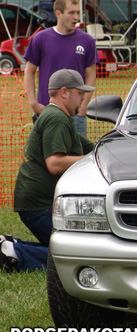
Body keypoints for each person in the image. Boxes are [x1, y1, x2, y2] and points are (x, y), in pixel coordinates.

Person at [0, 69, 95, 272]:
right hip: (38, 205)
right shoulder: (56, 119)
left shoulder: (59, 117)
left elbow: (91, 148)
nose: (83, 98)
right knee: (76, 254)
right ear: (64, 92)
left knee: (63, 248)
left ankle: (10, 246)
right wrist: (89, 160)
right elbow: (54, 163)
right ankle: (14, 255)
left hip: (35, 202)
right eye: (80, 93)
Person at [24, 0, 97, 137]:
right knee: (49, 157)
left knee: (77, 157)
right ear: (58, 13)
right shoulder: (40, 39)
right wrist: (34, 103)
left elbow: (91, 75)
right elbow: (29, 71)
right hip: (48, 112)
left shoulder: (87, 41)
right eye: (71, 13)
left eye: (77, 13)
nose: (76, 17)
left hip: (76, 115)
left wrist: (83, 106)